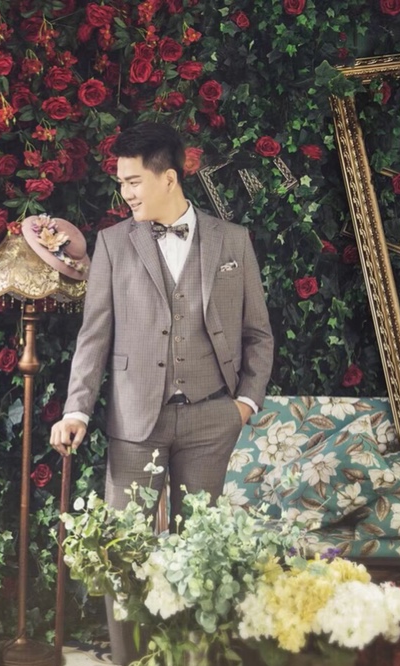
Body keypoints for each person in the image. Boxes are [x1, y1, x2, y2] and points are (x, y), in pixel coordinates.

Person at [51, 121, 274, 521]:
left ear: (169, 178)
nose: (126, 193)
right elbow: (94, 337)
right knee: (125, 542)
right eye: (122, 183)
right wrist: (76, 411)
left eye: (134, 182)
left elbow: (258, 333)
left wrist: (245, 403)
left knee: (199, 549)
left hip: (211, 417)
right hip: (135, 419)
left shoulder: (233, 240)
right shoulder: (113, 244)